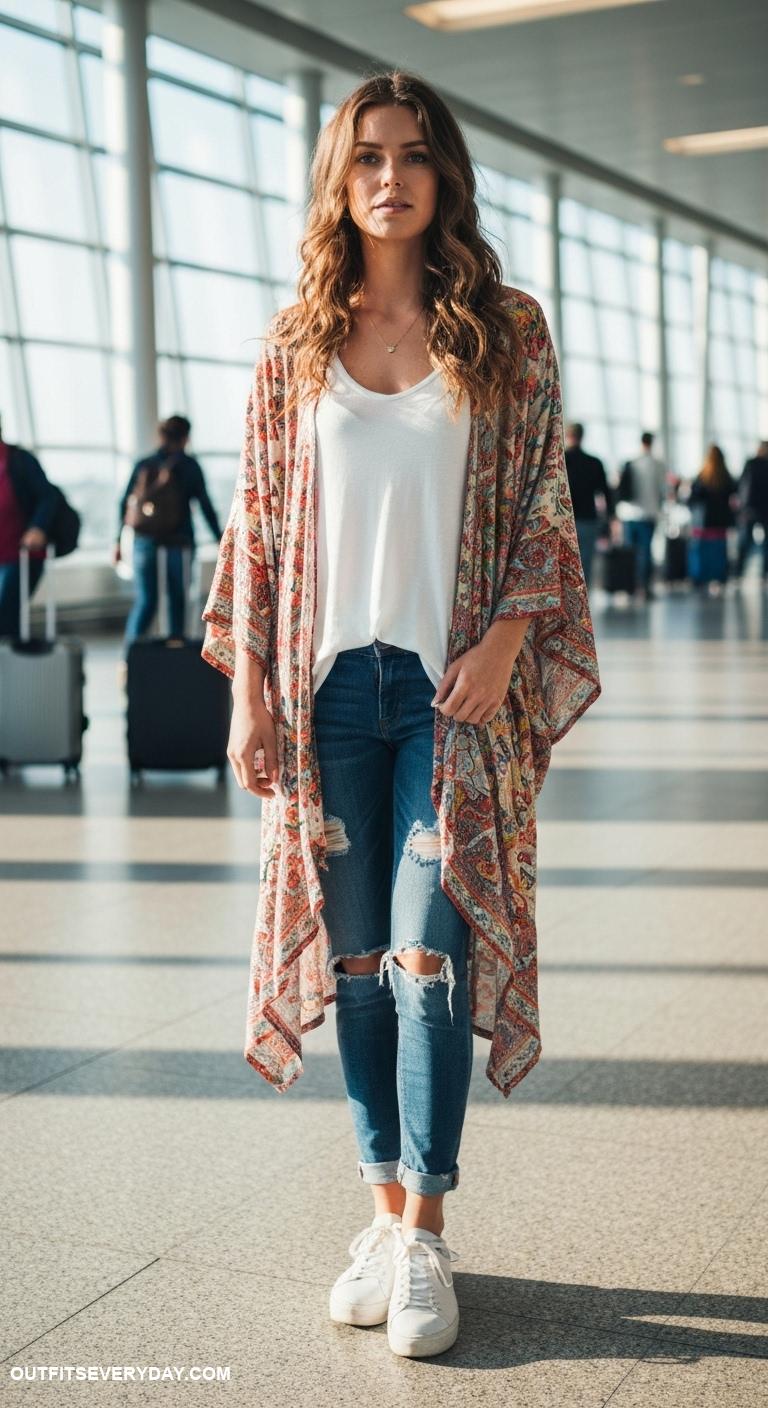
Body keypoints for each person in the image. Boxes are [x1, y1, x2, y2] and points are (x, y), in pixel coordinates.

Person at [199, 70, 601, 1360]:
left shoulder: (507, 330)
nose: (391, 176)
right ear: (340, 178)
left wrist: (503, 642)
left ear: (445, 175)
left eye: (414, 154)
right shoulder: (295, 343)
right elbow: (256, 527)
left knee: (430, 961)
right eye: (367, 155)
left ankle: (427, 1230)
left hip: (450, 696)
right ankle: (381, 1213)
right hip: (328, 697)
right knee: (362, 964)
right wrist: (249, 695)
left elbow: (545, 506)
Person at [113, 415, 222, 676]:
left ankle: (129, 661)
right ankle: (176, 660)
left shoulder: (144, 464)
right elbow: (204, 504)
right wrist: (220, 538)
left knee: (145, 601)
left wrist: (117, 540)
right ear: (186, 437)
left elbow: (125, 503)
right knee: (177, 600)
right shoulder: (189, 466)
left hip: (145, 542)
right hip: (179, 542)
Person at [0, 413, 60, 638]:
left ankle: (10, 659)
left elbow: (48, 496)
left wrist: (37, 527)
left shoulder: (19, 460)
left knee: (5, 614)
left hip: (20, 555)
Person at [616, 430, 669, 599]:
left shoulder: (631, 463)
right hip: (648, 513)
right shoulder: (658, 465)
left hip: (629, 513)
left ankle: (630, 586)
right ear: (652, 443)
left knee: (630, 551)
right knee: (645, 551)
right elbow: (662, 490)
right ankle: (644, 587)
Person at [564, 421, 615, 588]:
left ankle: (567, 595)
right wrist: (611, 517)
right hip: (588, 518)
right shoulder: (594, 463)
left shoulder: (560, 461)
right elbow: (605, 493)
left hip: (564, 519)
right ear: (582, 436)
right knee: (585, 561)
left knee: (565, 561)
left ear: (567, 435)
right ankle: (584, 595)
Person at [686, 444, 738, 592]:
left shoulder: (701, 477)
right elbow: (735, 497)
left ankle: (699, 579)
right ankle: (719, 578)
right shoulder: (726, 477)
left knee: (701, 552)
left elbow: (692, 500)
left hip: (703, 522)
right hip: (720, 522)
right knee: (719, 552)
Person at [735, 439, 768, 584]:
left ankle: (739, 572)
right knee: (759, 542)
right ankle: (763, 573)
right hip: (761, 508)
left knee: (746, 540)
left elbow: (743, 485)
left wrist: (742, 506)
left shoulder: (751, 464)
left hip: (751, 508)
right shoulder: (753, 464)